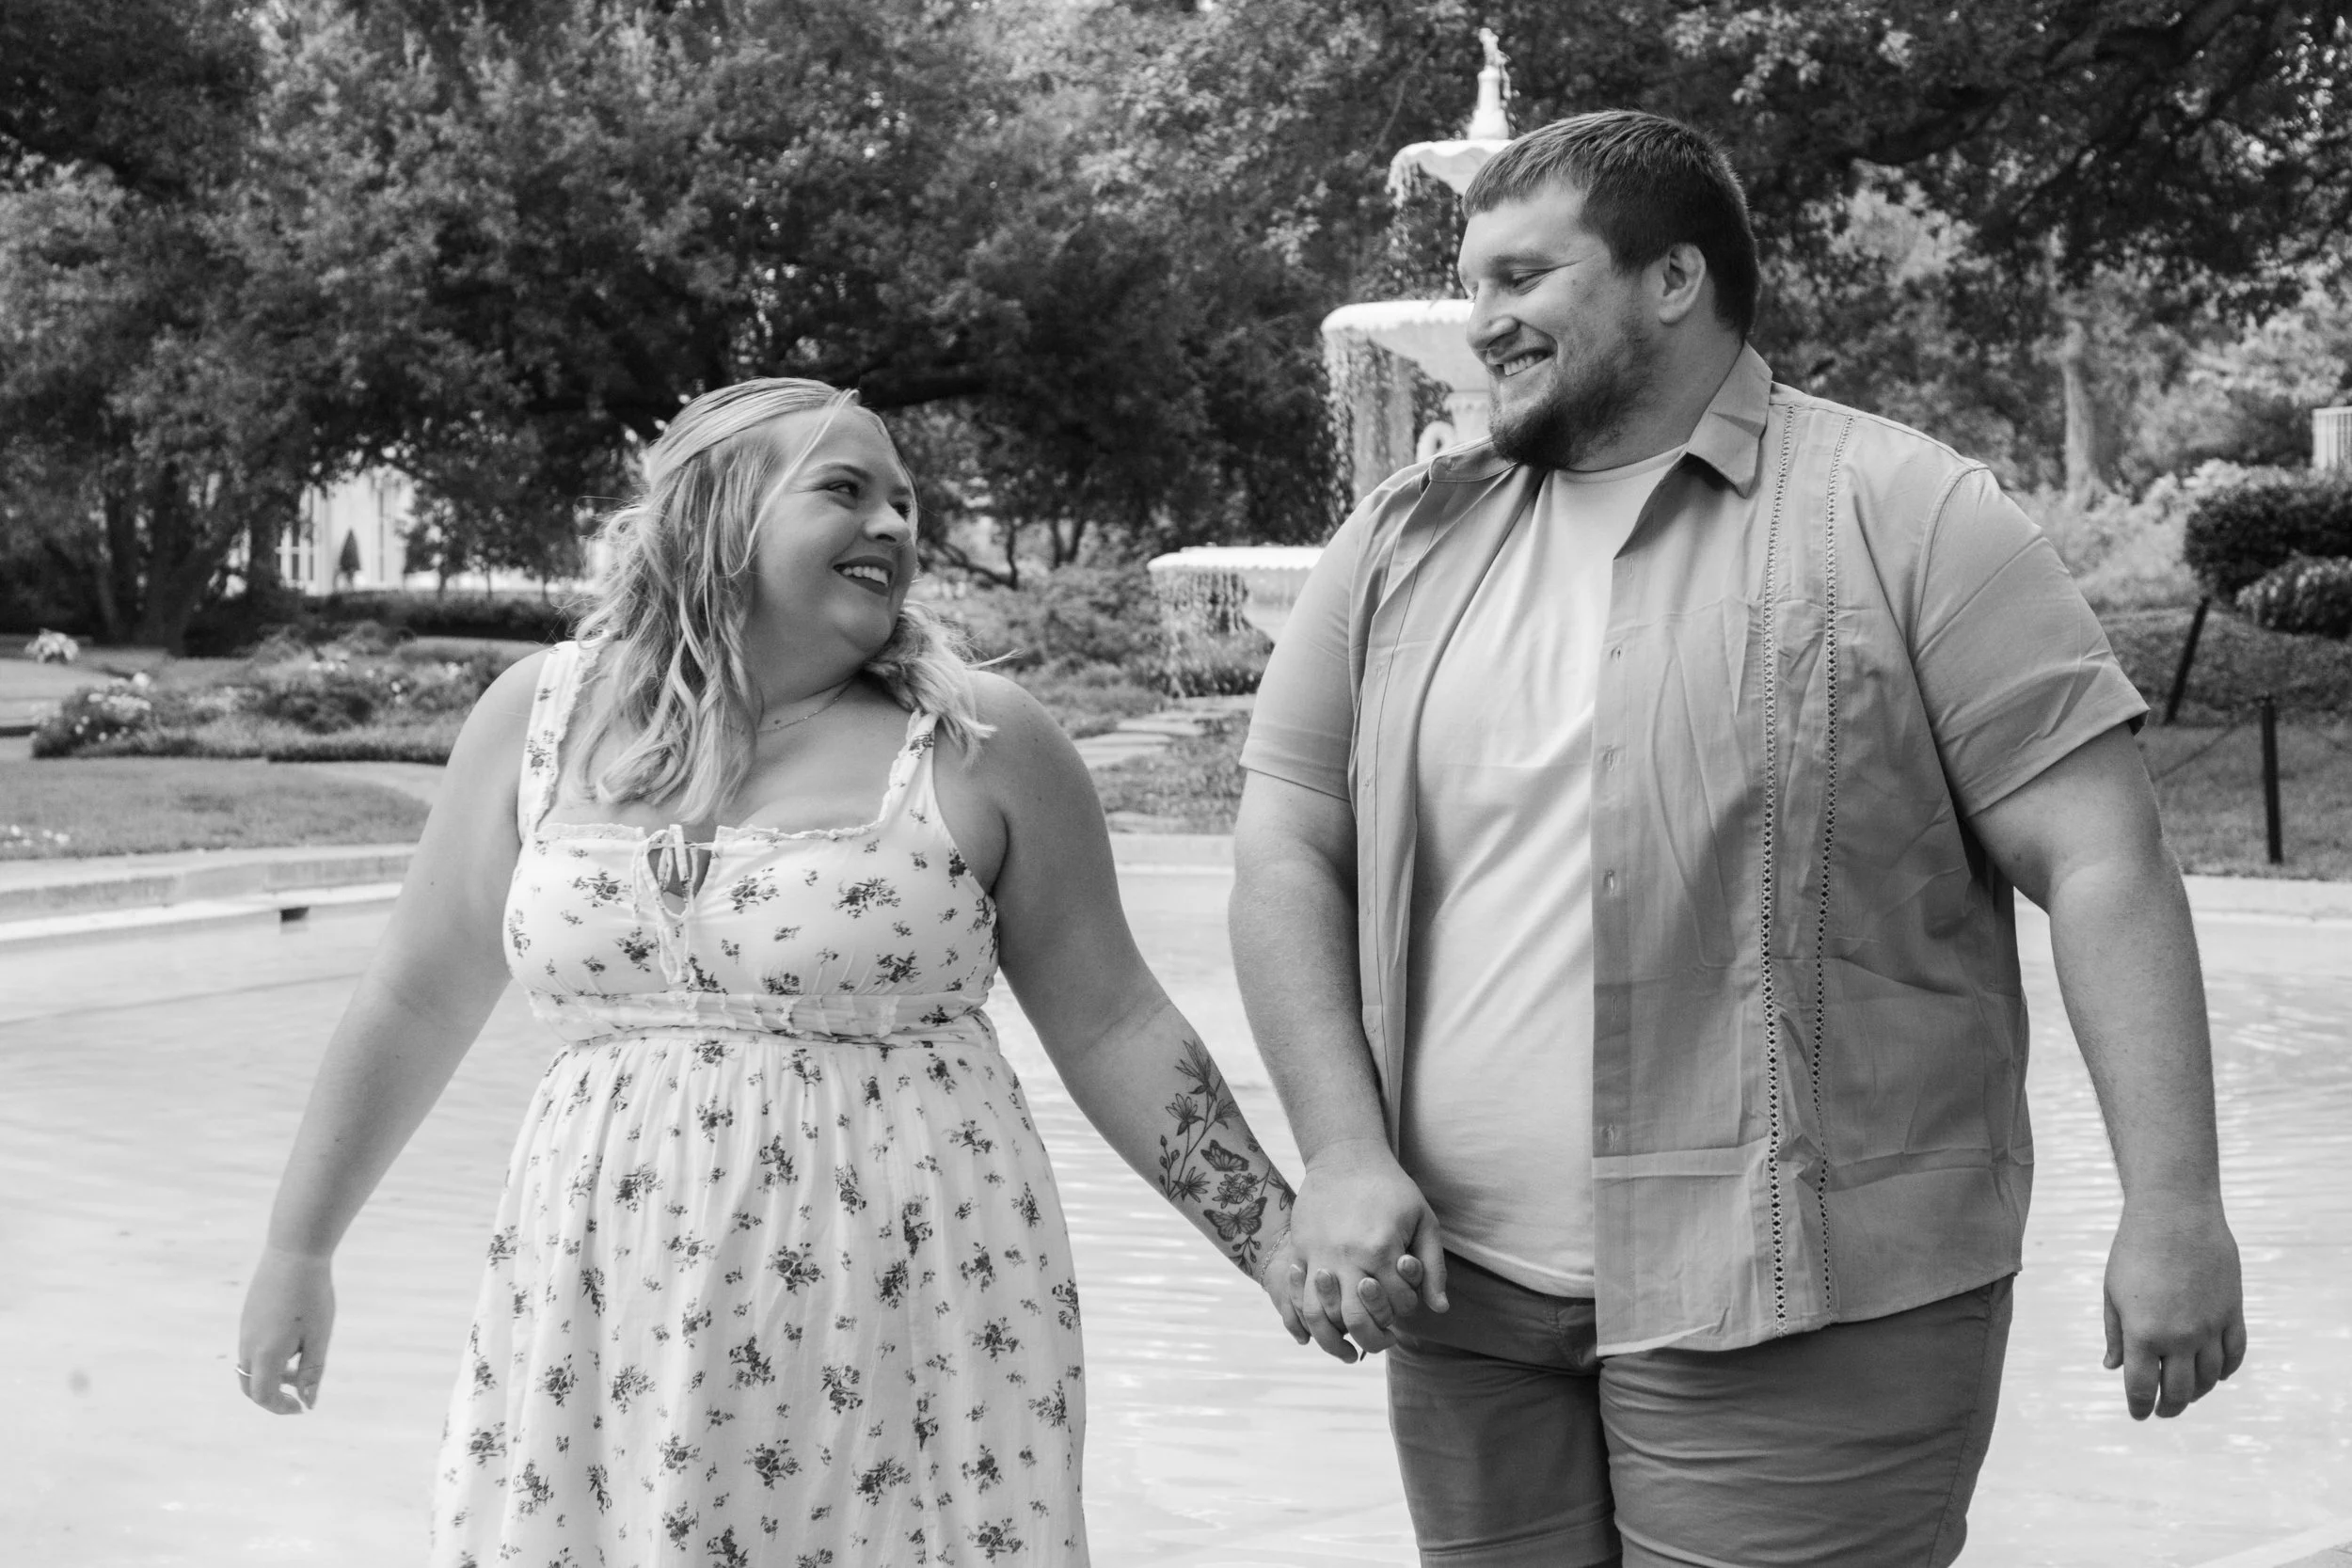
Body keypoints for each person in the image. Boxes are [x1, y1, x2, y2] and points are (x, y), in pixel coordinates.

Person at [1232, 111, 2247, 1568]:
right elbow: (1286, 849)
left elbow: (2103, 859)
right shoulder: (1399, 540)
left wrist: (2175, 1204)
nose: (1484, 323)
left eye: (1525, 277)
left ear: (1673, 280)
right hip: (1464, 1302)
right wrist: (1338, 1148)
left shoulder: (1911, 512)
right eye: (1471, 287)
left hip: (1812, 1299)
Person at [237, 379, 1298, 1565]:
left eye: (905, 501)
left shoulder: (978, 744)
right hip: (607, 1292)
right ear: (713, 516)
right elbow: (412, 994)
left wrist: (1276, 1241)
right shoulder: (540, 716)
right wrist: (299, 1247)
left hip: (908, 1296)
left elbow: (1114, 1023)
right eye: (845, 489)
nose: (894, 525)